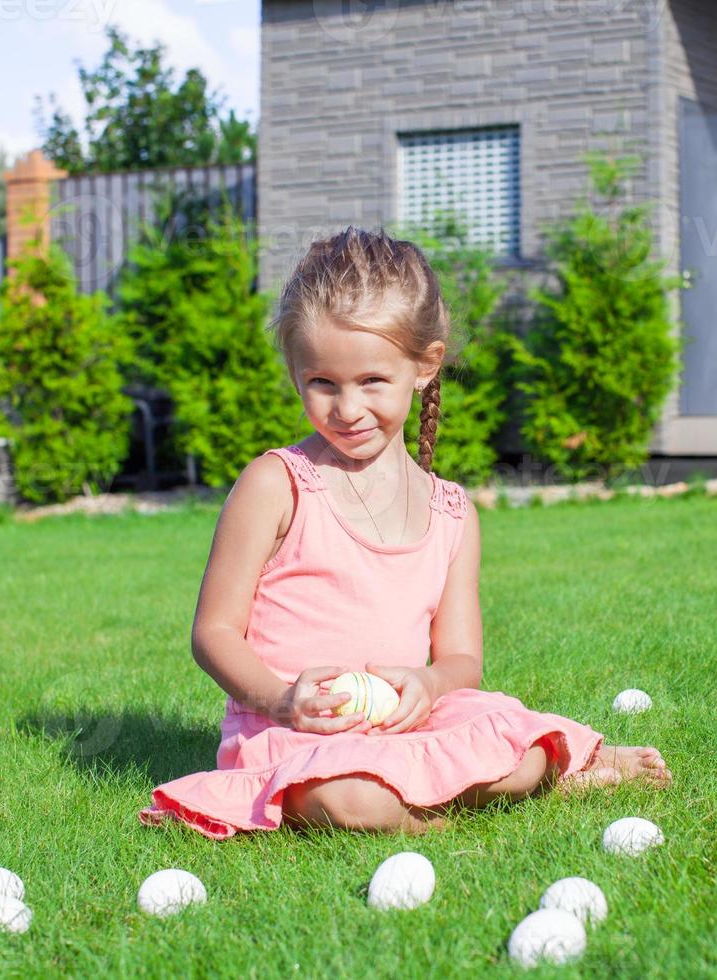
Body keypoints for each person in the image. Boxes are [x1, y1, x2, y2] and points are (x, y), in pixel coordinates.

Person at [139, 226, 670, 840]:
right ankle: (440, 808)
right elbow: (214, 633)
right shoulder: (276, 483)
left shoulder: (451, 512)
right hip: (294, 733)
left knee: (516, 738)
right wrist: (282, 700)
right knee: (347, 797)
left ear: (424, 366)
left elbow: (461, 659)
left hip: (405, 725)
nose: (347, 408)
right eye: (322, 383)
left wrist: (429, 684)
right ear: (295, 371)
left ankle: (513, 778)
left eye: (372, 382)